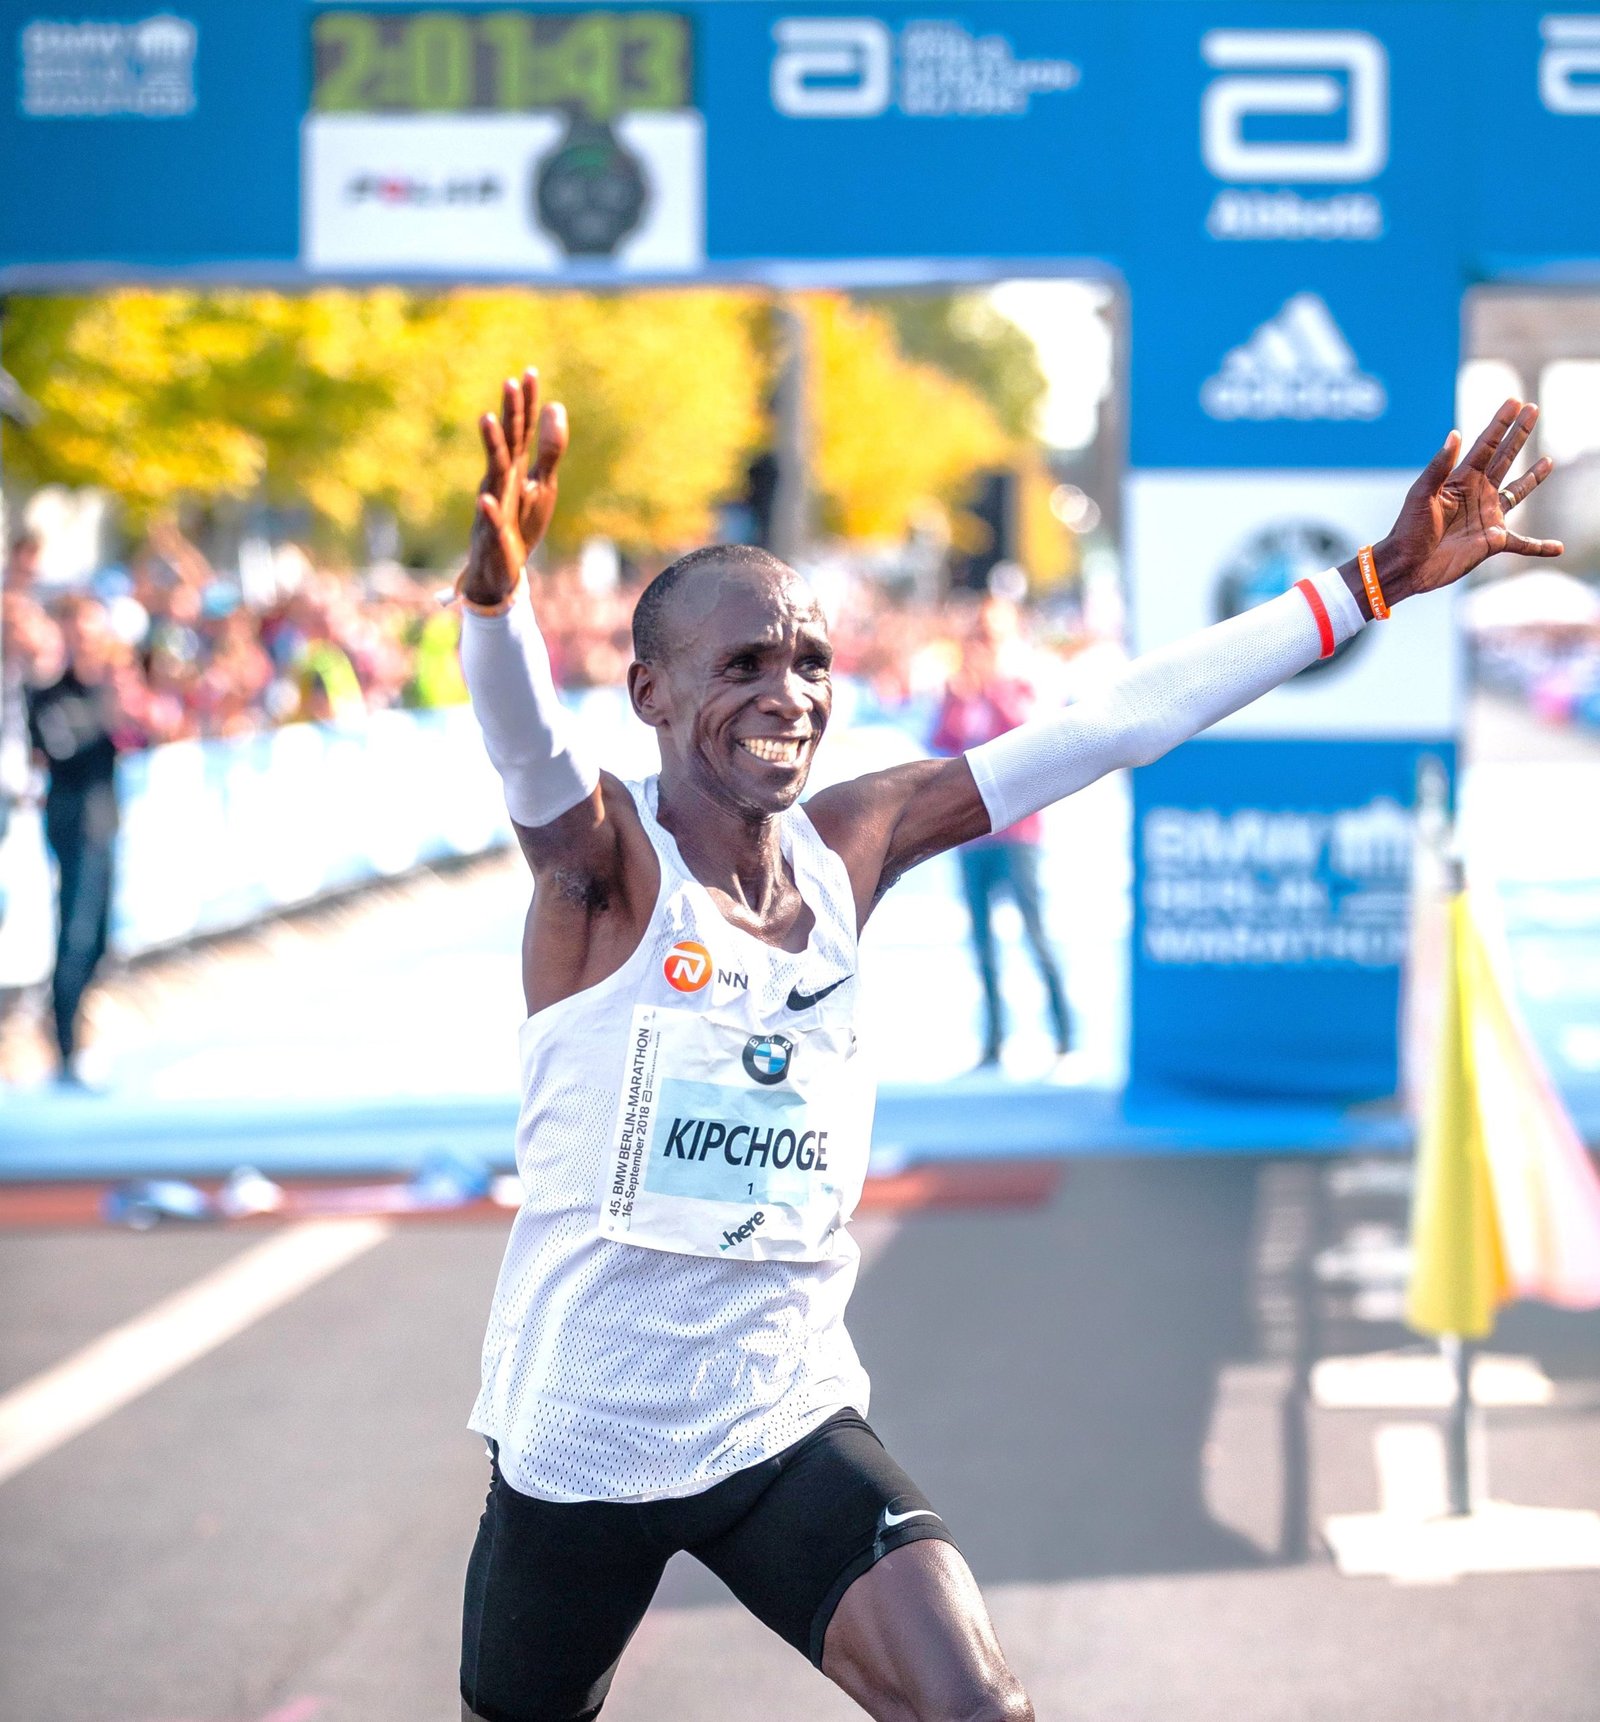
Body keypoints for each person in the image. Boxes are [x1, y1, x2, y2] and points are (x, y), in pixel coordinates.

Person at [455, 371, 1558, 1722]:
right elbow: (522, 750)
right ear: (650, 691)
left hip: (774, 1411)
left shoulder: (849, 843)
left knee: (980, 1707)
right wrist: (495, 610)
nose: (789, 692)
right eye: (743, 664)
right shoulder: (606, 871)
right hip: (584, 1436)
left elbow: (1108, 725)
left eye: (809, 660)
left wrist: (1371, 581)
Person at [932, 597, 1072, 1069]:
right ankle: (993, 1040)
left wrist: (990, 688)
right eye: (977, 636)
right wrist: (960, 697)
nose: (982, 646)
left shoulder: (1022, 681)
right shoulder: (958, 691)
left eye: (991, 636)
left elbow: (1031, 733)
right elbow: (940, 747)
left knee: (1035, 934)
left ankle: (1064, 1033)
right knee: (982, 943)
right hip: (971, 833)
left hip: (1018, 831)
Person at [24, 594, 142, 1085]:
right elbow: (62, 748)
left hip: (105, 820)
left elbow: (136, 734)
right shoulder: (49, 693)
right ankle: (65, 1045)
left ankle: (77, 1031)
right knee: (73, 935)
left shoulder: (106, 688)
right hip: (73, 824)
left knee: (97, 941)